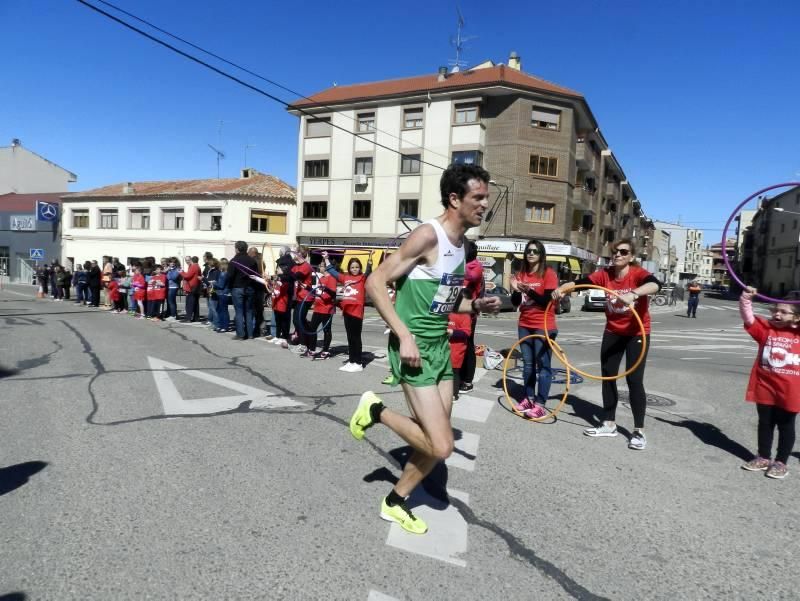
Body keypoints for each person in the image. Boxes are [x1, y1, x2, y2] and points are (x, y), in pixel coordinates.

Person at [349, 163, 500, 534]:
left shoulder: (462, 246)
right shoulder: (427, 236)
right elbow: (375, 282)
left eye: (486, 198)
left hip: (439, 348)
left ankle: (395, 501)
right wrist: (403, 335)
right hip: (414, 349)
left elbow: (445, 303)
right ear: (454, 198)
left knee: (435, 439)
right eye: (477, 198)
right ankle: (376, 410)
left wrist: (476, 306)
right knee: (442, 447)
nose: (484, 205)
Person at [553, 238, 661, 450]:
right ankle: (609, 423)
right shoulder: (605, 274)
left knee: (634, 379)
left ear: (631, 256)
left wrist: (634, 293)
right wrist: (563, 288)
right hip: (613, 331)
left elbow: (655, 284)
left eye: (623, 252)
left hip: (637, 332)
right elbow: (582, 281)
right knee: (608, 375)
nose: (618, 255)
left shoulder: (637, 274)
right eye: (615, 251)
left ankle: (639, 431)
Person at [738, 288, 800, 479]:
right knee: (765, 423)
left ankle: (781, 461)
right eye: (775, 310)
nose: (777, 314)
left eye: (783, 312)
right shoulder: (766, 330)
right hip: (765, 387)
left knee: (786, 426)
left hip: (791, 390)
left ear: (797, 318)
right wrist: (745, 298)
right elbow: (749, 318)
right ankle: (763, 456)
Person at [510, 238, 559, 419]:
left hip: (544, 326)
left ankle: (540, 404)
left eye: (535, 251)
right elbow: (516, 302)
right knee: (528, 365)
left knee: (544, 366)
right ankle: (529, 397)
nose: (531, 254)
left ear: (541, 255)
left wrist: (527, 290)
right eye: (528, 251)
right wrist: (516, 290)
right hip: (524, 324)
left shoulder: (548, 273)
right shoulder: (521, 273)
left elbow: (546, 301)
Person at [322, 251, 373, 372]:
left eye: (357, 267)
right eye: (352, 267)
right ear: (349, 268)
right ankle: (351, 361)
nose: (354, 269)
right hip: (347, 312)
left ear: (359, 268)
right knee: (350, 338)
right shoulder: (345, 278)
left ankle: (358, 363)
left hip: (357, 312)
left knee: (356, 337)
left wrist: (370, 260)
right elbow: (332, 271)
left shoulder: (362, 278)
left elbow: (368, 271)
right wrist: (326, 258)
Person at [458, 241, 483, 392]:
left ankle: (467, 380)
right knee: (458, 344)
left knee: (467, 344)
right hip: (457, 311)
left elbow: (472, 276)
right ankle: (458, 376)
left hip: (469, 312)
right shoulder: (465, 264)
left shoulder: (475, 266)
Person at [227, 241, 259, 340]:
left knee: (239, 312)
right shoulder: (252, 261)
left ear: (237, 249)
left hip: (237, 288)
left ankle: (240, 334)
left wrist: (229, 287)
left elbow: (230, 276)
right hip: (250, 288)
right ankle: (250, 334)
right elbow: (256, 275)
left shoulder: (234, 261)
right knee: (249, 311)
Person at [303, 267, 337, 359]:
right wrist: (307, 288)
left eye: (322, 265)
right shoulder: (321, 278)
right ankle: (312, 350)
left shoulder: (332, 278)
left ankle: (325, 351)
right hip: (317, 308)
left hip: (327, 309)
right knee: (312, 328)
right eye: (321, 265)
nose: (321, 267)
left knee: (326, 330)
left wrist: (325, 290)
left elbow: (332, 293)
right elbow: (317, 292)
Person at [290, 246, 314, 352]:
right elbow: (289, 275)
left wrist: (287, 273)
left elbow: (297, 276)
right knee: (297, 320)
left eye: (295, 253)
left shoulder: (306, 266)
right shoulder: (296, 266)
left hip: (306, 297)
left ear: (299, 254)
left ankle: (304, 343)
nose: (294, 255)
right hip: (299, 297)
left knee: (298, 319)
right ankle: (308, 338)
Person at [180, 256, 202, 323]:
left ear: (191, 260)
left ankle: (188, 318)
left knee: (189, 303)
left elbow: (187, 276)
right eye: (186, 260)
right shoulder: (197, 266)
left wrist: (181, 272)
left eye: (188, 260)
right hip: (196, 287)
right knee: (195, 303)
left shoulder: (193, 266)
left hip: (192, 287)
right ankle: (196, 318)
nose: (187, 262)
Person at [214, 258, 232, 333]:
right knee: (223, 310)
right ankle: (223, 326)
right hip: (226, 293)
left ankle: (224, 326)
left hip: (222, 293)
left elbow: (221, 285)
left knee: (222, 310)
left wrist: (213, 283)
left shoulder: (223, 273)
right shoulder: (228, 273)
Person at [204, 258, 220, 328]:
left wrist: (203, 279)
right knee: (211, 307)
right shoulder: (212, 271)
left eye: (209, 264)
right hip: (210, 289)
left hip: (213, 290)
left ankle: (216, 324)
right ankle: (213, 322)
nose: (208, 265)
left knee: (213, 308)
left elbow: (212, 281)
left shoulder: (215, 271)